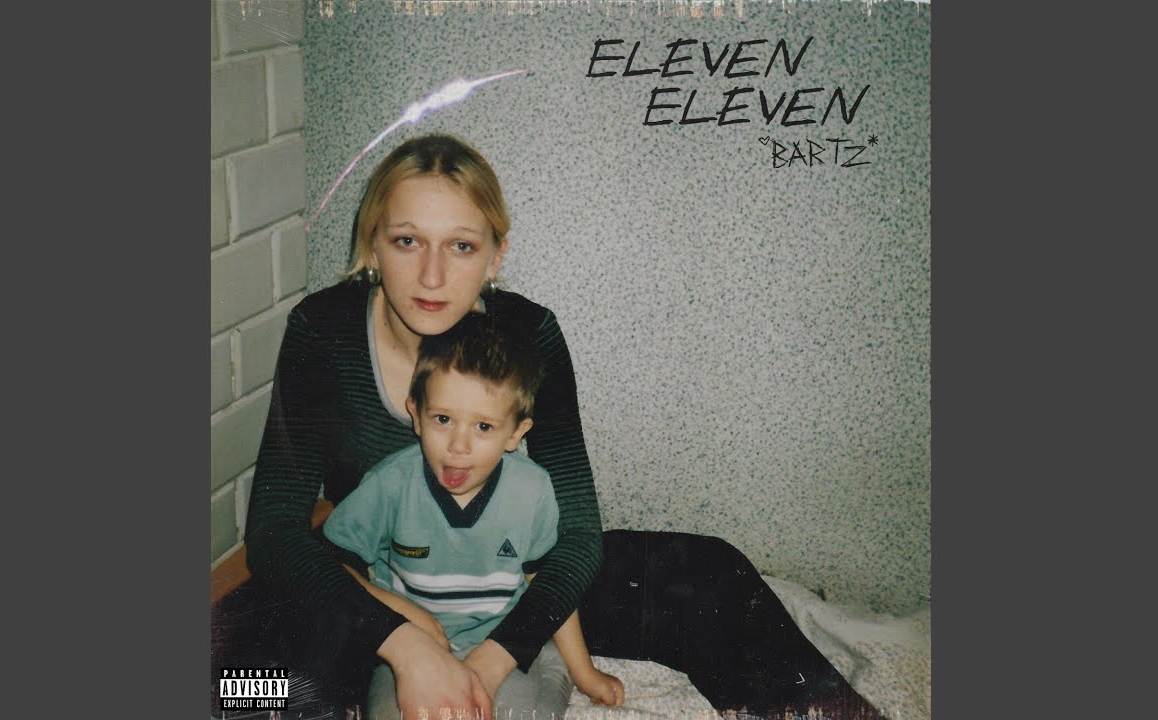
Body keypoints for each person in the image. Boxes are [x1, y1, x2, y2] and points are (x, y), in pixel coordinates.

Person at [238, 133, 886, 720]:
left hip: (502, 585)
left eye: (461, 246)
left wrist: (493, 660)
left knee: (711, 572)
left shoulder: (531, 333)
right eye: (407, 241)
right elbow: (273, 532)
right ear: (373, 244)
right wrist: (404, 644)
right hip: (383, 590)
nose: (432, 275)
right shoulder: (321, 331)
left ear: (496, 256)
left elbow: (575, 537)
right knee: (245, 685)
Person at [321, 313, 624, 719]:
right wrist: (405, 616)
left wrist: (584, 671)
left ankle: (554, 666)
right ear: (416, 414)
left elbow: (550, 584)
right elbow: (328, 564)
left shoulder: (532, 490)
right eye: (443, 419)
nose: (458, 445)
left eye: (483, 426)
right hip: (412, 651)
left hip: (507, 644)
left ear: (515, 434)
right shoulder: (389, 484)